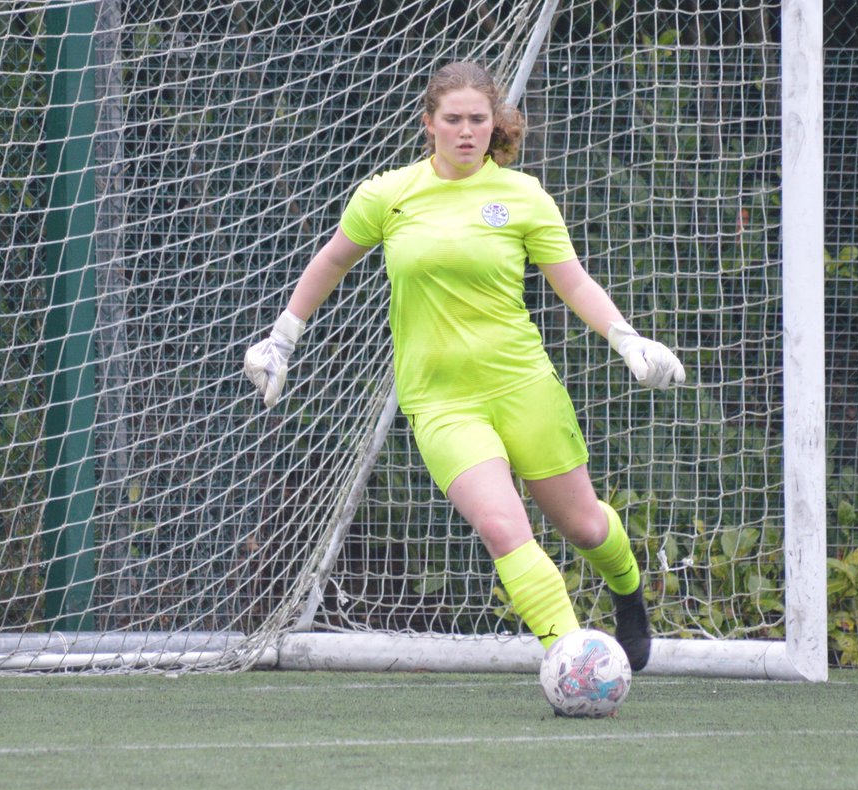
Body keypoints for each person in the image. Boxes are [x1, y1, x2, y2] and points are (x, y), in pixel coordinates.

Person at [244, 61, 684, 671]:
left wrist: (628, 340)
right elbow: (331, 261)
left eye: (478, 119)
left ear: (492, 122)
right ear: (429, 124)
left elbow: (572, 282)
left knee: (585, 528)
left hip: (523, 385)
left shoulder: (522, 194)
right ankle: (571, 659)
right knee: (503, 529)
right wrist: (281, 339)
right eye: (453, 119)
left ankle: (628, 591)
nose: (466, 130)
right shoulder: (388, 194)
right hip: (441, 403)